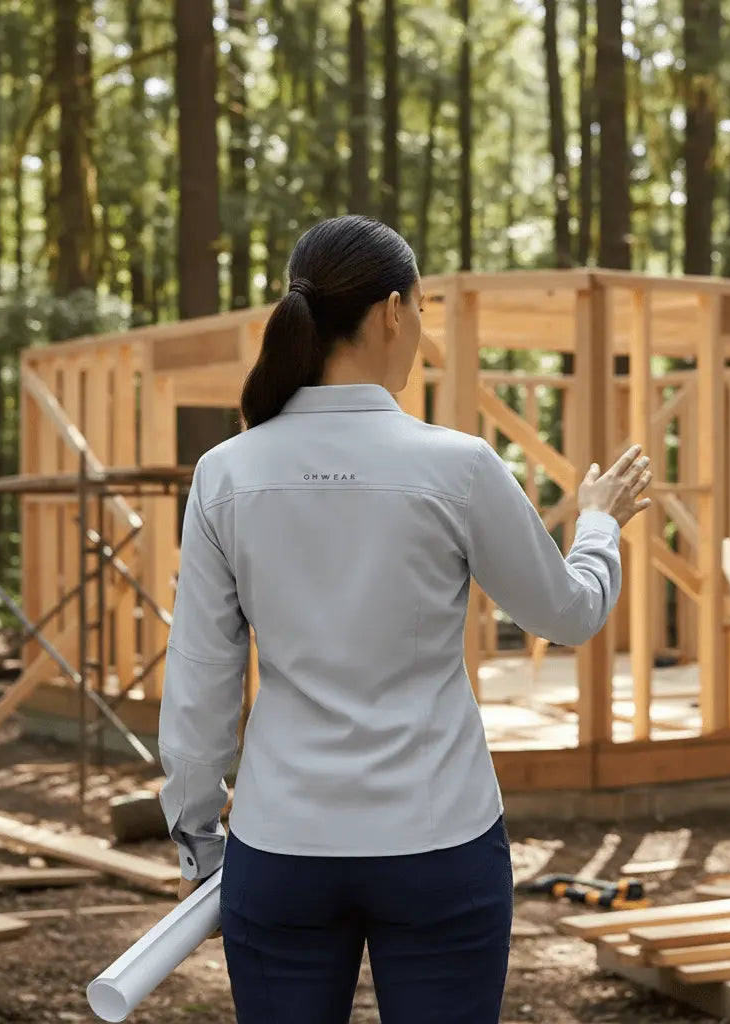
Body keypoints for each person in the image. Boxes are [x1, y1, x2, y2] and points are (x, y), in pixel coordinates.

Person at [157, 214, 652, 1024]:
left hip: (282, 846)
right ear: (392, 311)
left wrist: (198, 838)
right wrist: (598, 523)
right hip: (439, 842)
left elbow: (202, 677)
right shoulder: (457, 465)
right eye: (421, 310)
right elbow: (568, 614)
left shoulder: (225, 474)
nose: (419, 330)